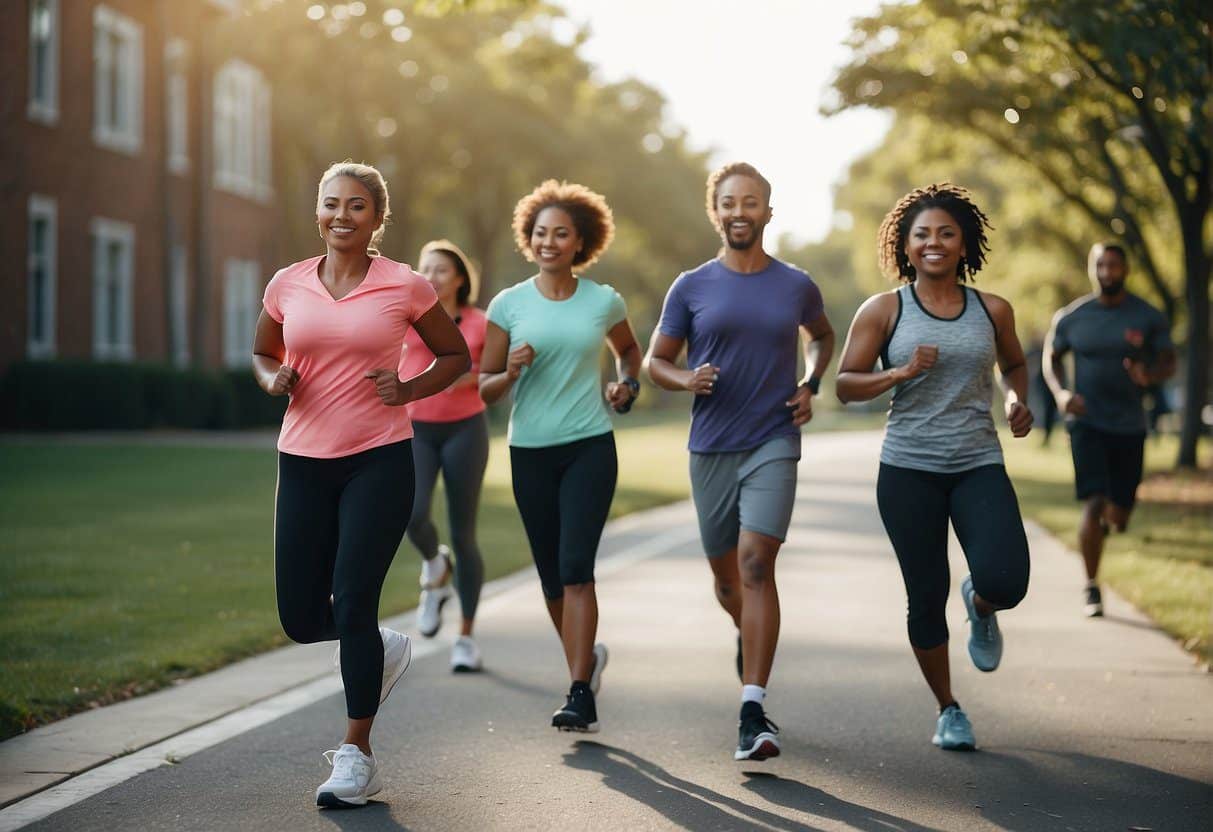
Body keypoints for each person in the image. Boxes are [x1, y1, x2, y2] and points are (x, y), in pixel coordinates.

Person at [253, 161, 469, 807]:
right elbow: (265, 351)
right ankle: (379, 648)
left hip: (379, 457)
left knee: (351, 601)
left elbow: (453, 355)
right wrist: (273, 380)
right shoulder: (287, 283)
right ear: (316, 211)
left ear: (376, 218)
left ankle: (357, 758)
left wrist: (407, 388)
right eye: (330, 204)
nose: (339, 216)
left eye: (354, 206)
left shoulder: (402, 285)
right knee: (298, 615)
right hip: (302, 458)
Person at [644, 162, 835, 762]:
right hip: (711, 446)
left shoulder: (795, 284)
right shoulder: (691, 286)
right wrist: (685, 379)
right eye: (729, 202)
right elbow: (656, 360)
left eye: (750, 202)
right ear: (716, 211)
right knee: (728, 579)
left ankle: (752, 708)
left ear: (768, 213)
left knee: (756, 565)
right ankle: (745, 632)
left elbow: (823, 336)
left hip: (774, 437)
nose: (739, 211)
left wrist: (811, 382)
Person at [835, 183, 1033, 752]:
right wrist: (896, 374)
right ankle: (949, 708)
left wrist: (1018, 399)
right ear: (906, 244)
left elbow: (1014, 365)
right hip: (908, 470)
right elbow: (846, 385)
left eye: (946, 232)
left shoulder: (992, 309)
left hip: (977, 462)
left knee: (1006, 580)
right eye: (922, 234)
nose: (934, 243)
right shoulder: (884, 310)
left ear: (964, 240)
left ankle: (982, 603)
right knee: (925, 595)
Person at [479, 180, 641, 734]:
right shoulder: (508, 305)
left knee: (576, 568)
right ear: (530, 238)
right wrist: (511, 369)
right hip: (529, 452)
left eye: (561, 234)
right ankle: (586, 660)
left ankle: (578, 691)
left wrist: (626, 386)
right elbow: (485, 389)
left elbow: (629, 352)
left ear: (580, 242)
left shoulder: (603, 300)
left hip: (589, 446)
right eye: (541, 233)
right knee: (551, 578)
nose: (549, 242)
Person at [1042, 243, 1175, 617]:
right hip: (1086, 420)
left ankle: (1108, 524)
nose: (1106, 271)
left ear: (1125, 269)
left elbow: (1168, 361)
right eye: (1100, 265)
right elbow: (1050, 358)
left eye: (1113, 265)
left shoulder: (1147, 316)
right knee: (1094, 501)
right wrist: (1061, 393)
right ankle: (1091, 586)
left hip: (1129, 425)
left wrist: (1149, 375)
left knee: (1119, 514)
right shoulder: (1072, 317)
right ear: (1091, 268)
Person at [399, 239, 490, 672]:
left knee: (464, 531)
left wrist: (464, 378)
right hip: (416, 428)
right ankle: (435, 569)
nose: (431, 276)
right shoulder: (407, 318)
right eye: (425, 268)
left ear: (458, 278)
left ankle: (466, 638)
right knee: (410, 513)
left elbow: (492, 373)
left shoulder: (479, 321)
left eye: (440, 270)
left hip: (465, 430)